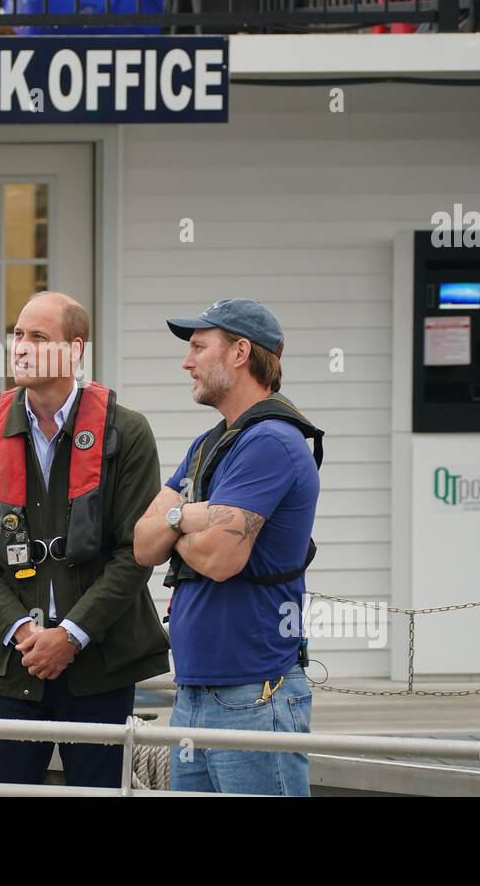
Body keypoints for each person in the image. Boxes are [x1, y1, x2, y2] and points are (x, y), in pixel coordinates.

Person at [0, 291, 170, 786]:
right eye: (17, 335)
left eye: (37, 337)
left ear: (74, 350)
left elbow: (135, 554)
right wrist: (24, 633)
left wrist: (71, 635)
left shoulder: (128, 434)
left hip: (100, 667)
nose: (20, 348)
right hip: (11, 667)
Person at [133, 298, 323, 795]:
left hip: (253, 696)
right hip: (195, 691)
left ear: (240, 353)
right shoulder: (206, 446)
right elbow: (142, 543)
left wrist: (175, 520)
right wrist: (187, 519)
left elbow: (220, 558)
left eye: (199, 347)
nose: (186, 361)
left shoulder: (272, 443)